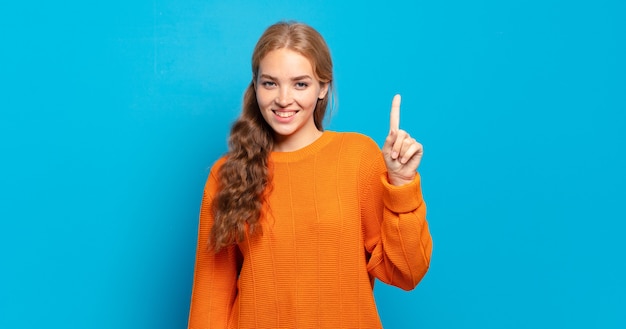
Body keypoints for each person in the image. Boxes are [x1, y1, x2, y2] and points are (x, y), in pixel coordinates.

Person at [188, 21, 432, 328]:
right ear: (255, 85)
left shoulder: (357, 157)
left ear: (323, 87)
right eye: (270, 83)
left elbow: (406, 272)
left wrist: (401, 183)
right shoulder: (226, 173)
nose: (283, 99)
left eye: (300, 84)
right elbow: (211, 297)